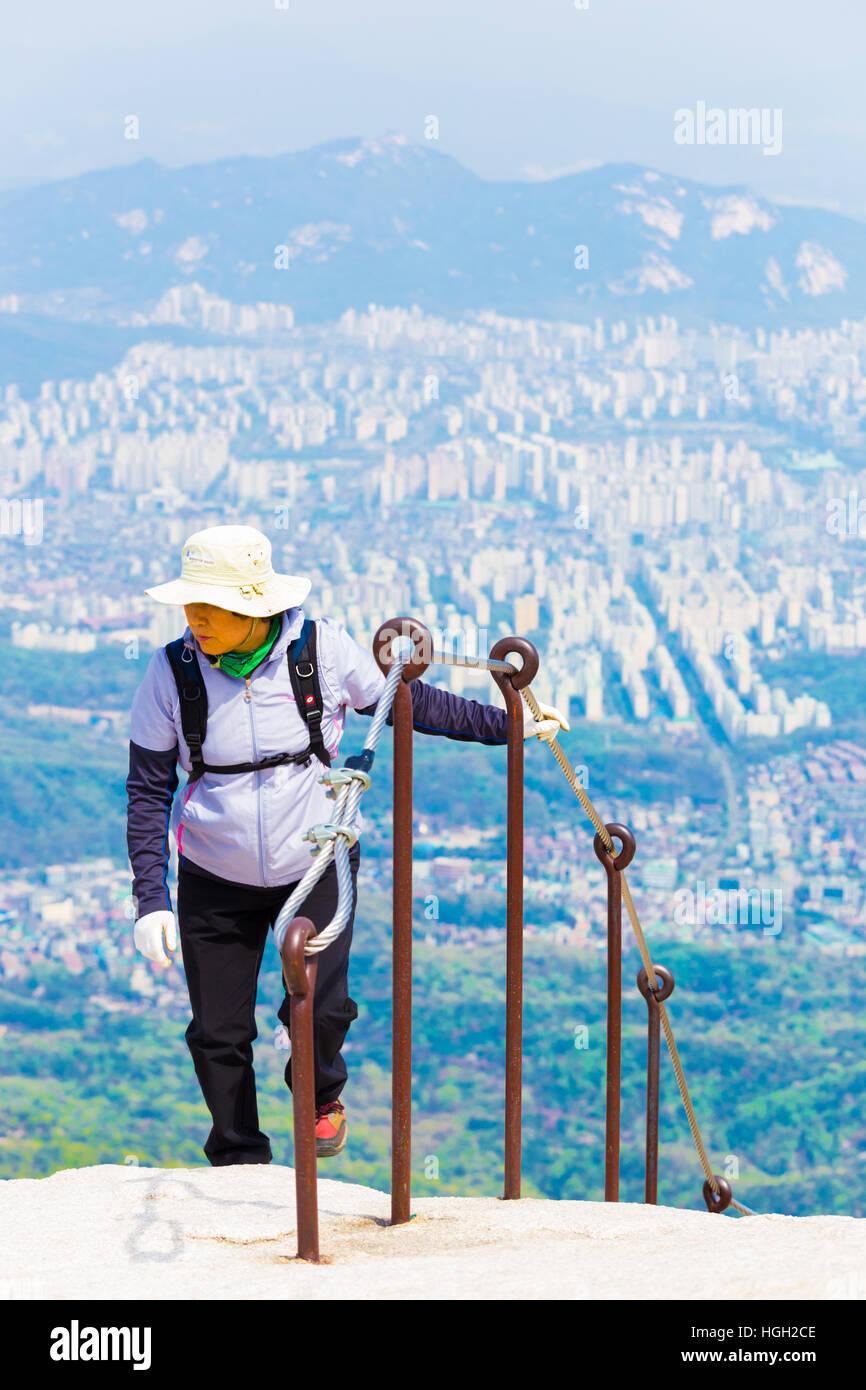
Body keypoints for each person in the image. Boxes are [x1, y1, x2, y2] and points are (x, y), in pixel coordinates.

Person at [126, 524, 569, 1167]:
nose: (192, 619)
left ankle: (320, 1096)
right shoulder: (172, 672)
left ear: (254, 606)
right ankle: (240, 1155)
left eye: (208, 606)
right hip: (213, 873)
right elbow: (147, 790)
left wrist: (507, 725)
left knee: (322, 1008)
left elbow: (406, 702)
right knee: (218, 1032)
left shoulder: (319, 651)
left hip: (316, 857)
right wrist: (151, 898)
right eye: (188, 606)